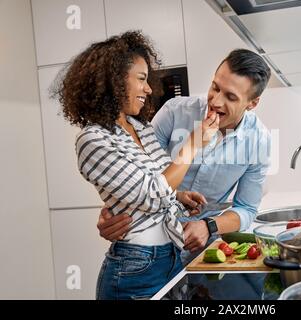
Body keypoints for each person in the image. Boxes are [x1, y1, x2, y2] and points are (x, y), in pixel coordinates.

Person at [52, 30, 219, 299]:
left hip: (171, 256)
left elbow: (160, 181)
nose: (149, 88)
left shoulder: (141, 129)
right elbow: (152, 195)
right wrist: (194, 142)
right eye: (141, 79)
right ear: (115, 81)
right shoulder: (92, 139)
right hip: (136, 268)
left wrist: (178, 195)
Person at [98, 48, 272, 260]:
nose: (216, 101)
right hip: (145, 245)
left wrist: (208, 226)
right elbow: (135, 171)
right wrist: (111, 211)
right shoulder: (174, 112)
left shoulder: (259, 140)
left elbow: (246, 208)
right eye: (215, 87)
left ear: (252, 103)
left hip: (198, 249)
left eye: (230, 97)